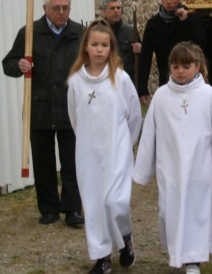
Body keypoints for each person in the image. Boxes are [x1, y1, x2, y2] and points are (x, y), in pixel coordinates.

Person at [133, 42, 212, 274]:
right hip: (169, 167)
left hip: (199, 166)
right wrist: (143, 168)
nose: (180, 71)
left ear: (197, 66)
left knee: (197, 212)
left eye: (186, 66)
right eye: (175, 66)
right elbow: (149, 134)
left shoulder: (207, 95)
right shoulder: (161, 96)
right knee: (170, 211)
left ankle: (193, 260)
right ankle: (176, 252)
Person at [1, 0, 84, 226]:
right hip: (40, 108)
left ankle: (72, 210)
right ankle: (48, 209)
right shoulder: (30, 33)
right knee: (43, 161)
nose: (61, 12)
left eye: (65, 8)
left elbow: (93, 63)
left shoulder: (79, 33)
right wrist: (20, 65)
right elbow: (8, 64)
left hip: (70, 107)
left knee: (72, 161)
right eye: (56, 8)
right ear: (45, 8)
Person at [66, 21, 142, 274]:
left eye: (105, 45)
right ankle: (102, 257)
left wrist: (124, 144)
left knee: (114, 201)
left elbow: (134, 115)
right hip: (88, 153)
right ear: (86, 47)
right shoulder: (76, 81)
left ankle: (125, 237)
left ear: (111, 48)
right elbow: (74, 117)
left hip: (117, 151)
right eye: (95, 44)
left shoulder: (120, 78)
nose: (99, 50)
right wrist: (89, 143)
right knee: (94, 203)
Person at [137, 0, 206, 103]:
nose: (168, 2)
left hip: (190, 78)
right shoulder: (153, 24)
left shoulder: (191, 18)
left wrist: (185, 22)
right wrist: (142, 88)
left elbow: (200, 44)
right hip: (166, 79)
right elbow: (145, 57)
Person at [99, 0, 141, 81]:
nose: (116, 11)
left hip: (126, 79)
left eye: (118, 8)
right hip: (104, 78)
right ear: (104, 12)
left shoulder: (130, 31)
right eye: (112, 8)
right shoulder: (98, 31)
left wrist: (140, 49)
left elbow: (141, 59)